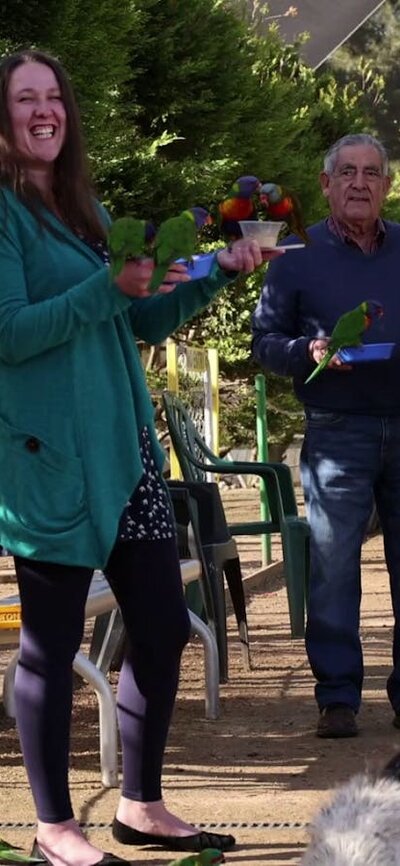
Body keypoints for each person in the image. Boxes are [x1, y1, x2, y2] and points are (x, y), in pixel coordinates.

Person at [0, 50, 283, 866]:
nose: (44, 110)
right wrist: (103, 290)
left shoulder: (83, 204)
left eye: (55, 96)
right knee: (50, 648)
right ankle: (55, 828)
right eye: (26, 98)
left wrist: (216, 276)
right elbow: (11, 333)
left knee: (161, 630)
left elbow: (141, 323)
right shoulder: (5, 212)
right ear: (3, 115)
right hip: (50, 464)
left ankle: (140, 805)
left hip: (128, 460)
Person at [251, 132, 400, 740]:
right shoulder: (296, 254)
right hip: (337, 430)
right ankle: (337, 697)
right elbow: (263, 344)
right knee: (335, 565)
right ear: (326, 184)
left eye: (372, 173)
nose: (360, 183)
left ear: (386, 185)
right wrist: (305, 350)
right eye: (348, 173)